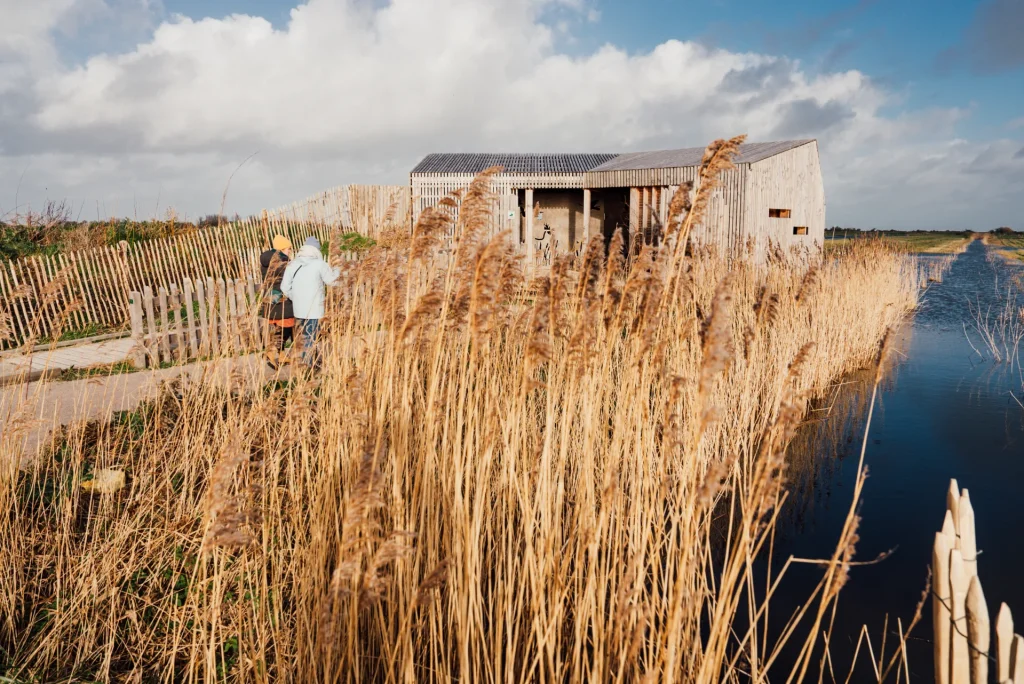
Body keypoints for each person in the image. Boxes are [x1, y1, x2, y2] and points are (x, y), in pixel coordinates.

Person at [281, 236, 339, 368]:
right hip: (315, 309)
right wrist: (337, 270)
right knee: (310, 338)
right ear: (316, 250)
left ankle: (307, 363)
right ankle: (308, 366)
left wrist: (295, 298)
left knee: (305, 337)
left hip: (298, 310)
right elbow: (332, 281)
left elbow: (284, 287)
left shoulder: (293, 264)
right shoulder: (320, 264)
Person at [259, 234, 295, 369]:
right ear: (281, 249)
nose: (290, 251)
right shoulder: (282, 262)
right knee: (286, 327)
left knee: (282, 327)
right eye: (288, 248)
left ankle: (281, 355)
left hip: (270, 300)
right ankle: (271, 351)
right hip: (282, 301)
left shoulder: (267, 262)